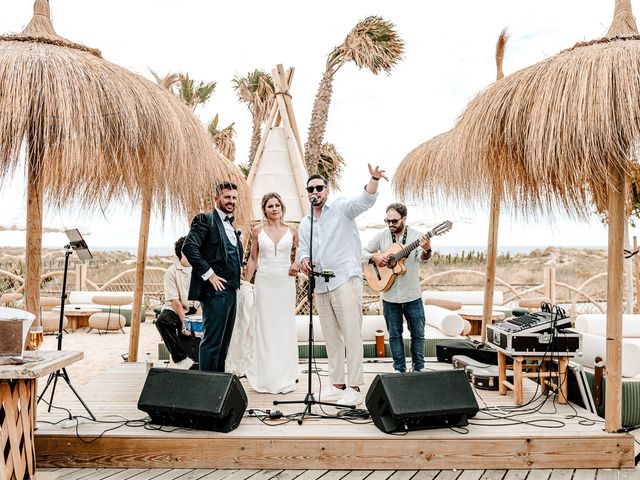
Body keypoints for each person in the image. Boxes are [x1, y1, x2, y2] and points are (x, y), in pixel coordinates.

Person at [298, 164, 387, 406]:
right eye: (310, 189)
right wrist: (304, 259)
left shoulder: (340, 208)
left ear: (326, 190)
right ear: (307, 193)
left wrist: (373, 179)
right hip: (321, 284)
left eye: (319, 187)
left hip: (345, 280)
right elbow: (303, 249)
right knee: (330, 337)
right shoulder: (306, 222)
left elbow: (364, 200)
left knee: (351, 334)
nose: (315, 191)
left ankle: (355, 386)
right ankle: (336, 384)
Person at [362, 203, 432, 373]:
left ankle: (419, 369)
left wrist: (427, 249)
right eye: (388, 221)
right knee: (394, 335)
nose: (391, 224)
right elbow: (361, 252)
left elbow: (423, 260)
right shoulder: (382, 236)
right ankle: (399, 370)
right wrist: (374, 258)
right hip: (389, 296)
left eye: (394, 221)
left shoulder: (417, 237)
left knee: (418, 335)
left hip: (412, 295)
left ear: (404, 219)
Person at [182, 181, 243, 372]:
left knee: (224, 343)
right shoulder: (204, 219)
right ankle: (206, 388)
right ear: (217, 198)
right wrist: (210, 275)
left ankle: (218, 387)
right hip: (214, 292)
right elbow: (189, 247)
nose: (231, 201)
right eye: (227, 197)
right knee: (212, 342)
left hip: (231, 291)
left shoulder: (231, 226)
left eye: (234, 197)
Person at [243, 192, 300, 393]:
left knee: (284, 326)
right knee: (265, 327)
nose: (274, 208)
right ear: (264, 210)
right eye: (270, 206)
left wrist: (296, 263)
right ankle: (266, 375)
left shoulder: (292, 229)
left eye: (277, 205)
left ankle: (284, 374)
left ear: (282, 208)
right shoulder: (257, 230)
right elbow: (252, 259)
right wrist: (245, 283)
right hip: (265, 282)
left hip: (285, 283)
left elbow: (302, 253)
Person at [155, 236, 199, 369]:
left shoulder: (200, 268)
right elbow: (175, 301)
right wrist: (185, 322)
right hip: (176, 307)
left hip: (196, 307)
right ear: (183, 253)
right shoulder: (171, 272)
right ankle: (180, 359)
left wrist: (198, 317)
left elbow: (204, 297)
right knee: (162, 322)